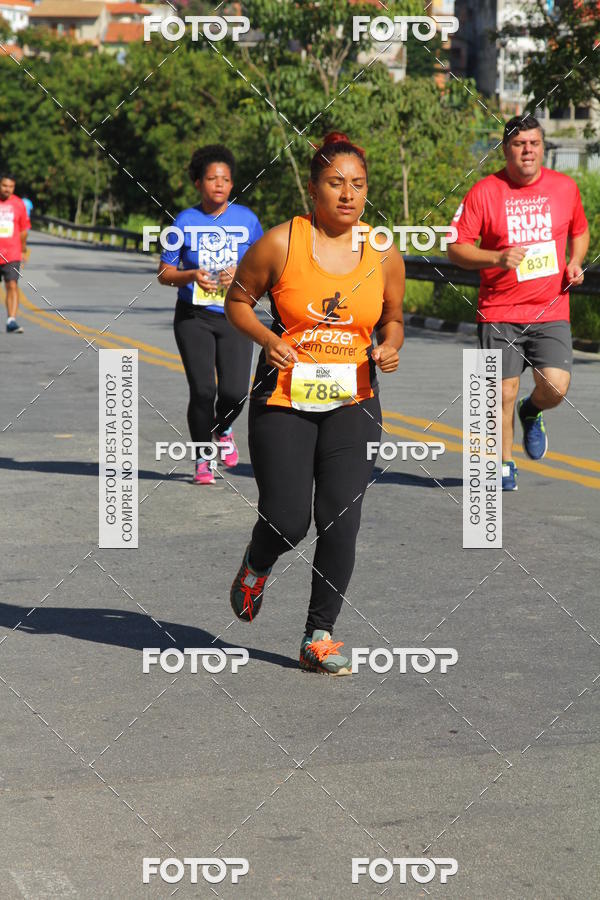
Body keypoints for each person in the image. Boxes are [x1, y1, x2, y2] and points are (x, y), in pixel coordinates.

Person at [225, 132, 405, 675]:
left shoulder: (382, 251)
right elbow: (237, 302)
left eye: (358, 185)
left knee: (340, 519)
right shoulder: (281, 243)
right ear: (313, 189)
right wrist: (268, 339)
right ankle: (258, 562)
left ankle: (318, 636)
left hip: (355, 399)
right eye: (336, 183)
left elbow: (395, 317)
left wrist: (390, 345)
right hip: (285, 397)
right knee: (286, 520)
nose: (348, 195)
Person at [447, 114, 589, 491]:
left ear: (542, 147)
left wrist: (575, 261)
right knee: (499, 392)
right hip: (498, 310)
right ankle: (503, 464)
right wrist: (496, 258)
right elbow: (456, 248)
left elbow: (580, 230)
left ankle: (533, 410)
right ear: (505, 148)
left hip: (550, 308)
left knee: (556, 386)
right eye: (519, 143)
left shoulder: (564, 188)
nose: (527, 150)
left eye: (534, 143)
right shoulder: (484, 191)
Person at [158, 145, 263, 484]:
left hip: (236, 316)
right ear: (198, 183)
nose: (219, 184)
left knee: (234, 393)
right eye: (212, 178)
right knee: (203, 390)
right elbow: (164, 273)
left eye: (226, 179)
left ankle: (224, 428)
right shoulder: (184, 221)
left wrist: (242, 274)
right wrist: (191, 275)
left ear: (232, 185)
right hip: (194, 317)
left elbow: (264, 267)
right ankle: (203, 458)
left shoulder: (247, 220)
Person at [0, 173, 31, 334]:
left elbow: (24, 229)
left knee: (12, 285)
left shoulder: (18, 204)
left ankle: (11, 320)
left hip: (12, 253)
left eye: (11, 186)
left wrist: (23, 249)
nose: (7, 189)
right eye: (4, 186)